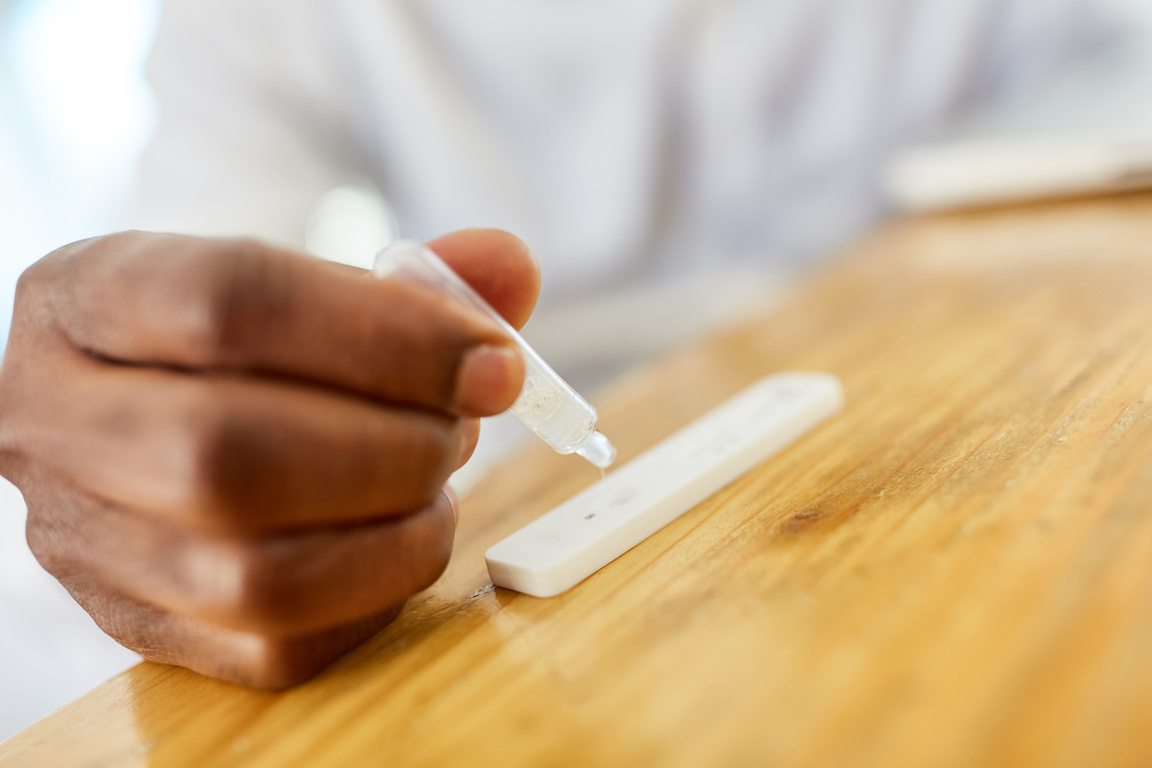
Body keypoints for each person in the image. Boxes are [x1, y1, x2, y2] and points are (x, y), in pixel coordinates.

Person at [0, 0, 1106, 687]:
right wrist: (150, 466)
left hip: (1009, 416)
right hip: (579, 599)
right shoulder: (255, 20)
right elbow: (189, 368)